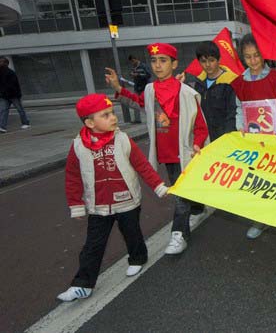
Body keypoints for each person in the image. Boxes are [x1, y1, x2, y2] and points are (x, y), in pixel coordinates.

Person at [57, 93, 169, 302]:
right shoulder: (78, 146)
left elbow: (142, 166)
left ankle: (138, 257)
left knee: (132, 233)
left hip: (127, 200)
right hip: (98, 206)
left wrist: (158, 186)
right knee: (93, 245)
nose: (113, 118)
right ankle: (83, 284)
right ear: (90, 122)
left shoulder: (122, 139)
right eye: (105, 115)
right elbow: (72, 177)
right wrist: (76, 204)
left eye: (112, 113)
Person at [105, 43, 209, 255]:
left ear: (174, 64)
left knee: (179, 194)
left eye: (163, 60)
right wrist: (118, 88)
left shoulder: (187, 93)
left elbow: (200, 125)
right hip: (165, 153)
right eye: (154, 61)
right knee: (182, 191)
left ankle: (179, 235)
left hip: (185, 152)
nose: (158, 65)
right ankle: (198, 207)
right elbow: (138, 103)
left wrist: (198, 142)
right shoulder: (150, 90)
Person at [230, 33, 276, 239]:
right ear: (243, 58)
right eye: (248, 57)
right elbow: (239, 108)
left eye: (257, 55)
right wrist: (240, 127)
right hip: (254, 142)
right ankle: (260, 219)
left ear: (263, 55)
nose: (253, 61)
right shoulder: (240, 83)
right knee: (256, 180)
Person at [193, 41, 237, 142]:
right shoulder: (198, 83)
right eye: (203, 61)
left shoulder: (230, 83)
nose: (207, 65)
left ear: (219, 60)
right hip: (205, 138)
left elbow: (232, 113)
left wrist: (228, 137)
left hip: (224, 138)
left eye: (211, 60)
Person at [0, 57, 30, 133]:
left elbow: (13, 85)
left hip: (14, 95)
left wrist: (15, 94)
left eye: (1, 62)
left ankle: (25, 123)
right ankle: (2, 127)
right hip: (4, 96)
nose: (0, 63)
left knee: (20, 109)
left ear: (6, 63)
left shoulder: (10, 73)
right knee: (3, 111)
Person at [128, 55, 152, 123]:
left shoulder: (143, 66)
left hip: (144, 87)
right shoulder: (133, 67)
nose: (132, 63)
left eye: (133, 61)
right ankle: (137, 119)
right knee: (135, 102)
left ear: (136, 59)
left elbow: (148, 75)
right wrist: (132, 74)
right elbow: (131, 74)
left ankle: (151, 117)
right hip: (137, 87)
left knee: (147, 103)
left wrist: (138, 75)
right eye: (131, 62)